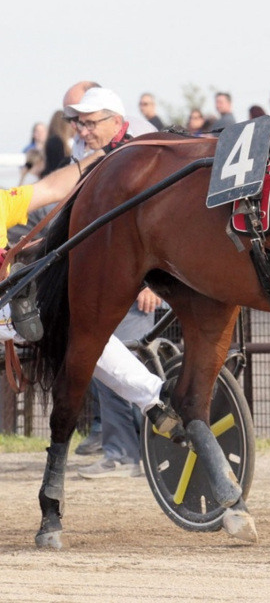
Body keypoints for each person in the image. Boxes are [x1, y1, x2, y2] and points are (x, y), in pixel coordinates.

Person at [61, 86, 167, 476]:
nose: (82, 130)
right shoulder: (101, 157)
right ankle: (129, 450)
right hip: (120, 280)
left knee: (109, 352)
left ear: (115, 122)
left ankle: (125, 453)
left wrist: (150, 285)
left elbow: (158, 229)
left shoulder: (139, 156)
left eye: (89, 123)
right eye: (78, 123)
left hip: (148, 285)